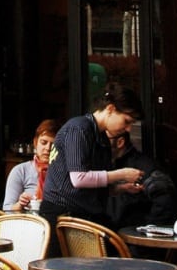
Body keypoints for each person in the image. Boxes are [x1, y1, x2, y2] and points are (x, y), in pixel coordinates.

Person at [41, 83, 146, 238]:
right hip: (62, 217)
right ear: (110, 109)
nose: (129, 129)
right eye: (127, 121)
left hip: (82, 216)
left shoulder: (101, 137)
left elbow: (91, 185)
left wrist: (122, 188)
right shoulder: (79, 128)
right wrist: (122, 174)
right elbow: (79, 179)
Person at [106, 132, 177, 228]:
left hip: (128, 237)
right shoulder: (105, 165)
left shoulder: (144, 166)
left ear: (120, 142)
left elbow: (165, 199)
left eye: (103, 138)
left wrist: (146, 230)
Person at [3, 118, 59, 211]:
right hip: (25, 223)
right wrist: (20, 204)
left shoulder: (62, 173)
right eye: (43, 143)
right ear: (35, 143)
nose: (48, 148)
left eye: (53, 145)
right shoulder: (21, 171)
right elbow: (7, 210)